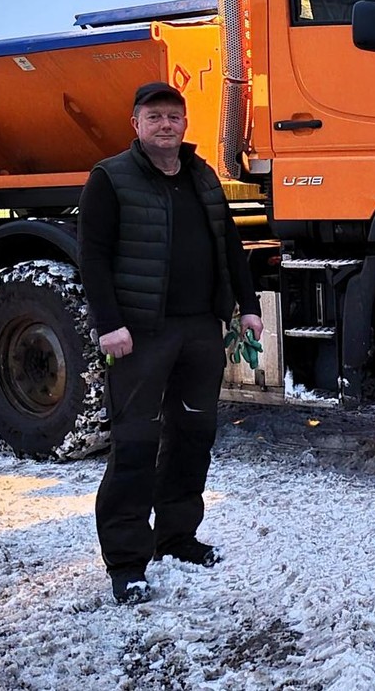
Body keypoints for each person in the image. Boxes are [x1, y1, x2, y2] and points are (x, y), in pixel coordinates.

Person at [78, 81, 263, 605]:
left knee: (192, 438)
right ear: (135, 124)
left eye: (173, 117)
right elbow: (92, 257)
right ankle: (127, 563)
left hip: (200, 330)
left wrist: (246, 307)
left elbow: (230, 244)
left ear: (185, 124)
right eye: (153, 117)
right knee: (135, 445)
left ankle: (177, 536)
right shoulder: (109, 179)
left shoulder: (202, 175)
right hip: (140, 334)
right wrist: (109, 323)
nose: (165, 125)